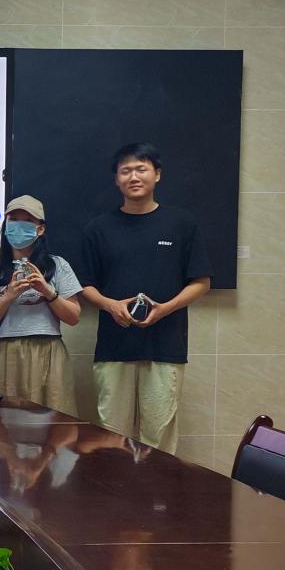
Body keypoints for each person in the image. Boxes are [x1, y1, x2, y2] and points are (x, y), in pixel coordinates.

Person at [78, 142, 212, 455]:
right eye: (126, 171)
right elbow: (84, 285)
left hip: (165, 346)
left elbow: (201, 282)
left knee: (159, 436)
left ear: (157, 174)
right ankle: (115, 488)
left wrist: (166, 309)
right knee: (111, 435)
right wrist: (110, 305)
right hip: (114, 346)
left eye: (141, 169)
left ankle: (157, 490)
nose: (134, 176)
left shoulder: (182, 224)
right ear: (116, 179)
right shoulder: (98, 228)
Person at [0, 195, 82, 416]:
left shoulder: (57, 265)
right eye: (13, 220)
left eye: (27, 221)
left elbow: (73, 316)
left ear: (40, 229)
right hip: (5, 352)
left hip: (49, 351)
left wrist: (47, 291)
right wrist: (8, 296)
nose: (18, 226)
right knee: (2, 421)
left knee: (53, 419)